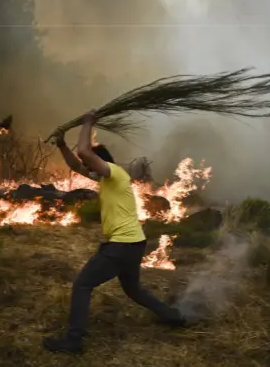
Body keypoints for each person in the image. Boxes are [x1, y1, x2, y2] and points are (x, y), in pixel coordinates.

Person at [42, 110, 186, 354]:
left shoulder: (115, 173)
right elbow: (77, 164)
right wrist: (61, 144)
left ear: (101, 163)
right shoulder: (106, 177)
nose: (87, 169)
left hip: (120, 246)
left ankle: (74, 339)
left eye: (92, 164)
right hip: (133, 243)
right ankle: (172, 316)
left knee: (82, 285)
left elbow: (84, 153)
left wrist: (88, 122)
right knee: (133, 290)